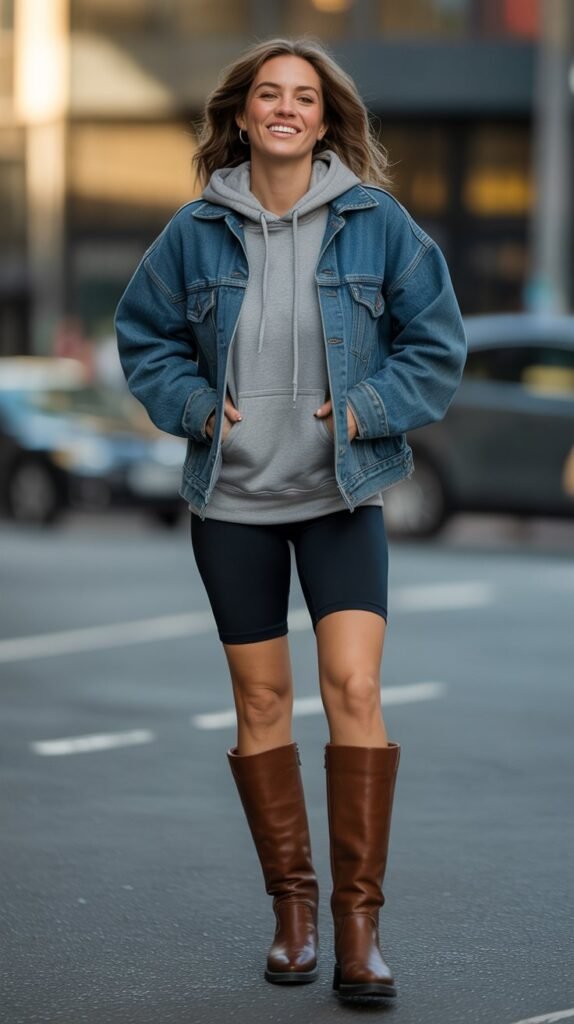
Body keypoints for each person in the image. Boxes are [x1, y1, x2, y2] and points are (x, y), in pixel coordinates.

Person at [115, 37, 467, 1001]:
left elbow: (437, 342)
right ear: (242, 116)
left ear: (324, 118)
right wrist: (192, 406)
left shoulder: (377, 224)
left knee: (353, 685)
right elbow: (142, 335)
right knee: (263, 704)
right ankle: (295, 916)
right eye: (268, 94)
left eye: (303, 97)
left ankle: (360, 933)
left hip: (340, 494)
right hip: (233, 501)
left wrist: (368, 408)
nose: (285, 108)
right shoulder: (193, 231)